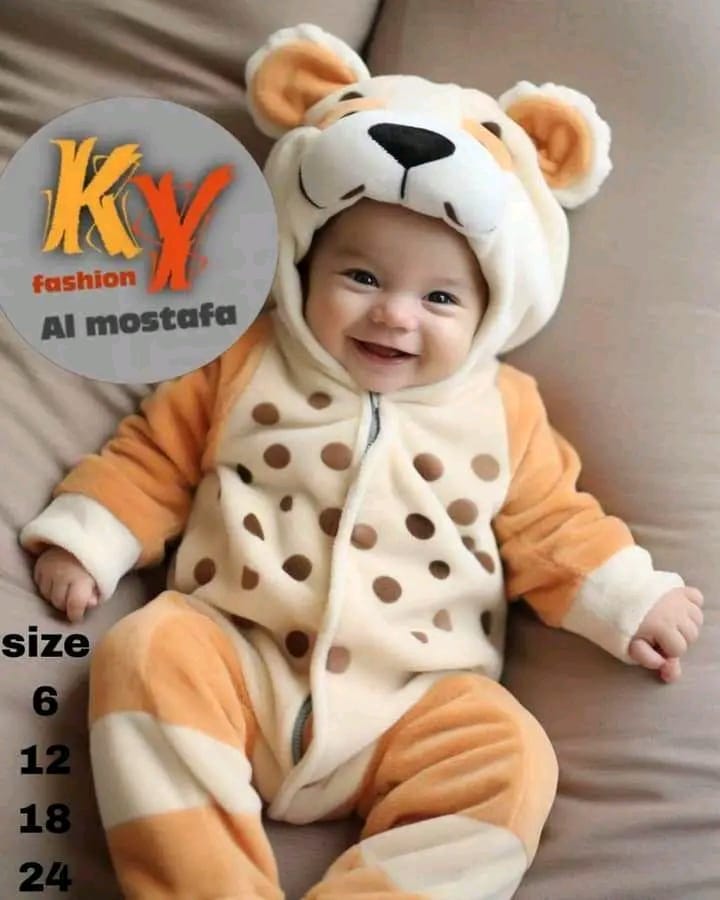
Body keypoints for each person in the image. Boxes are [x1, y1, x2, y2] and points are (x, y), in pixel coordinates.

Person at [19, 23, 704, 900]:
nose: (395, 316)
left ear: (493, 311)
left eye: (440, 297)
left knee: (512, 757)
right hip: (238, 654)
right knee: (145, 651)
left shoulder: (504, 410)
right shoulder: (245, 362)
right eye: (363, 278)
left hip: (413, 698)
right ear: (304, 265)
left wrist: (627, 597)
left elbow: (551, 524)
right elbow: (155, 456)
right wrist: (93, 534)